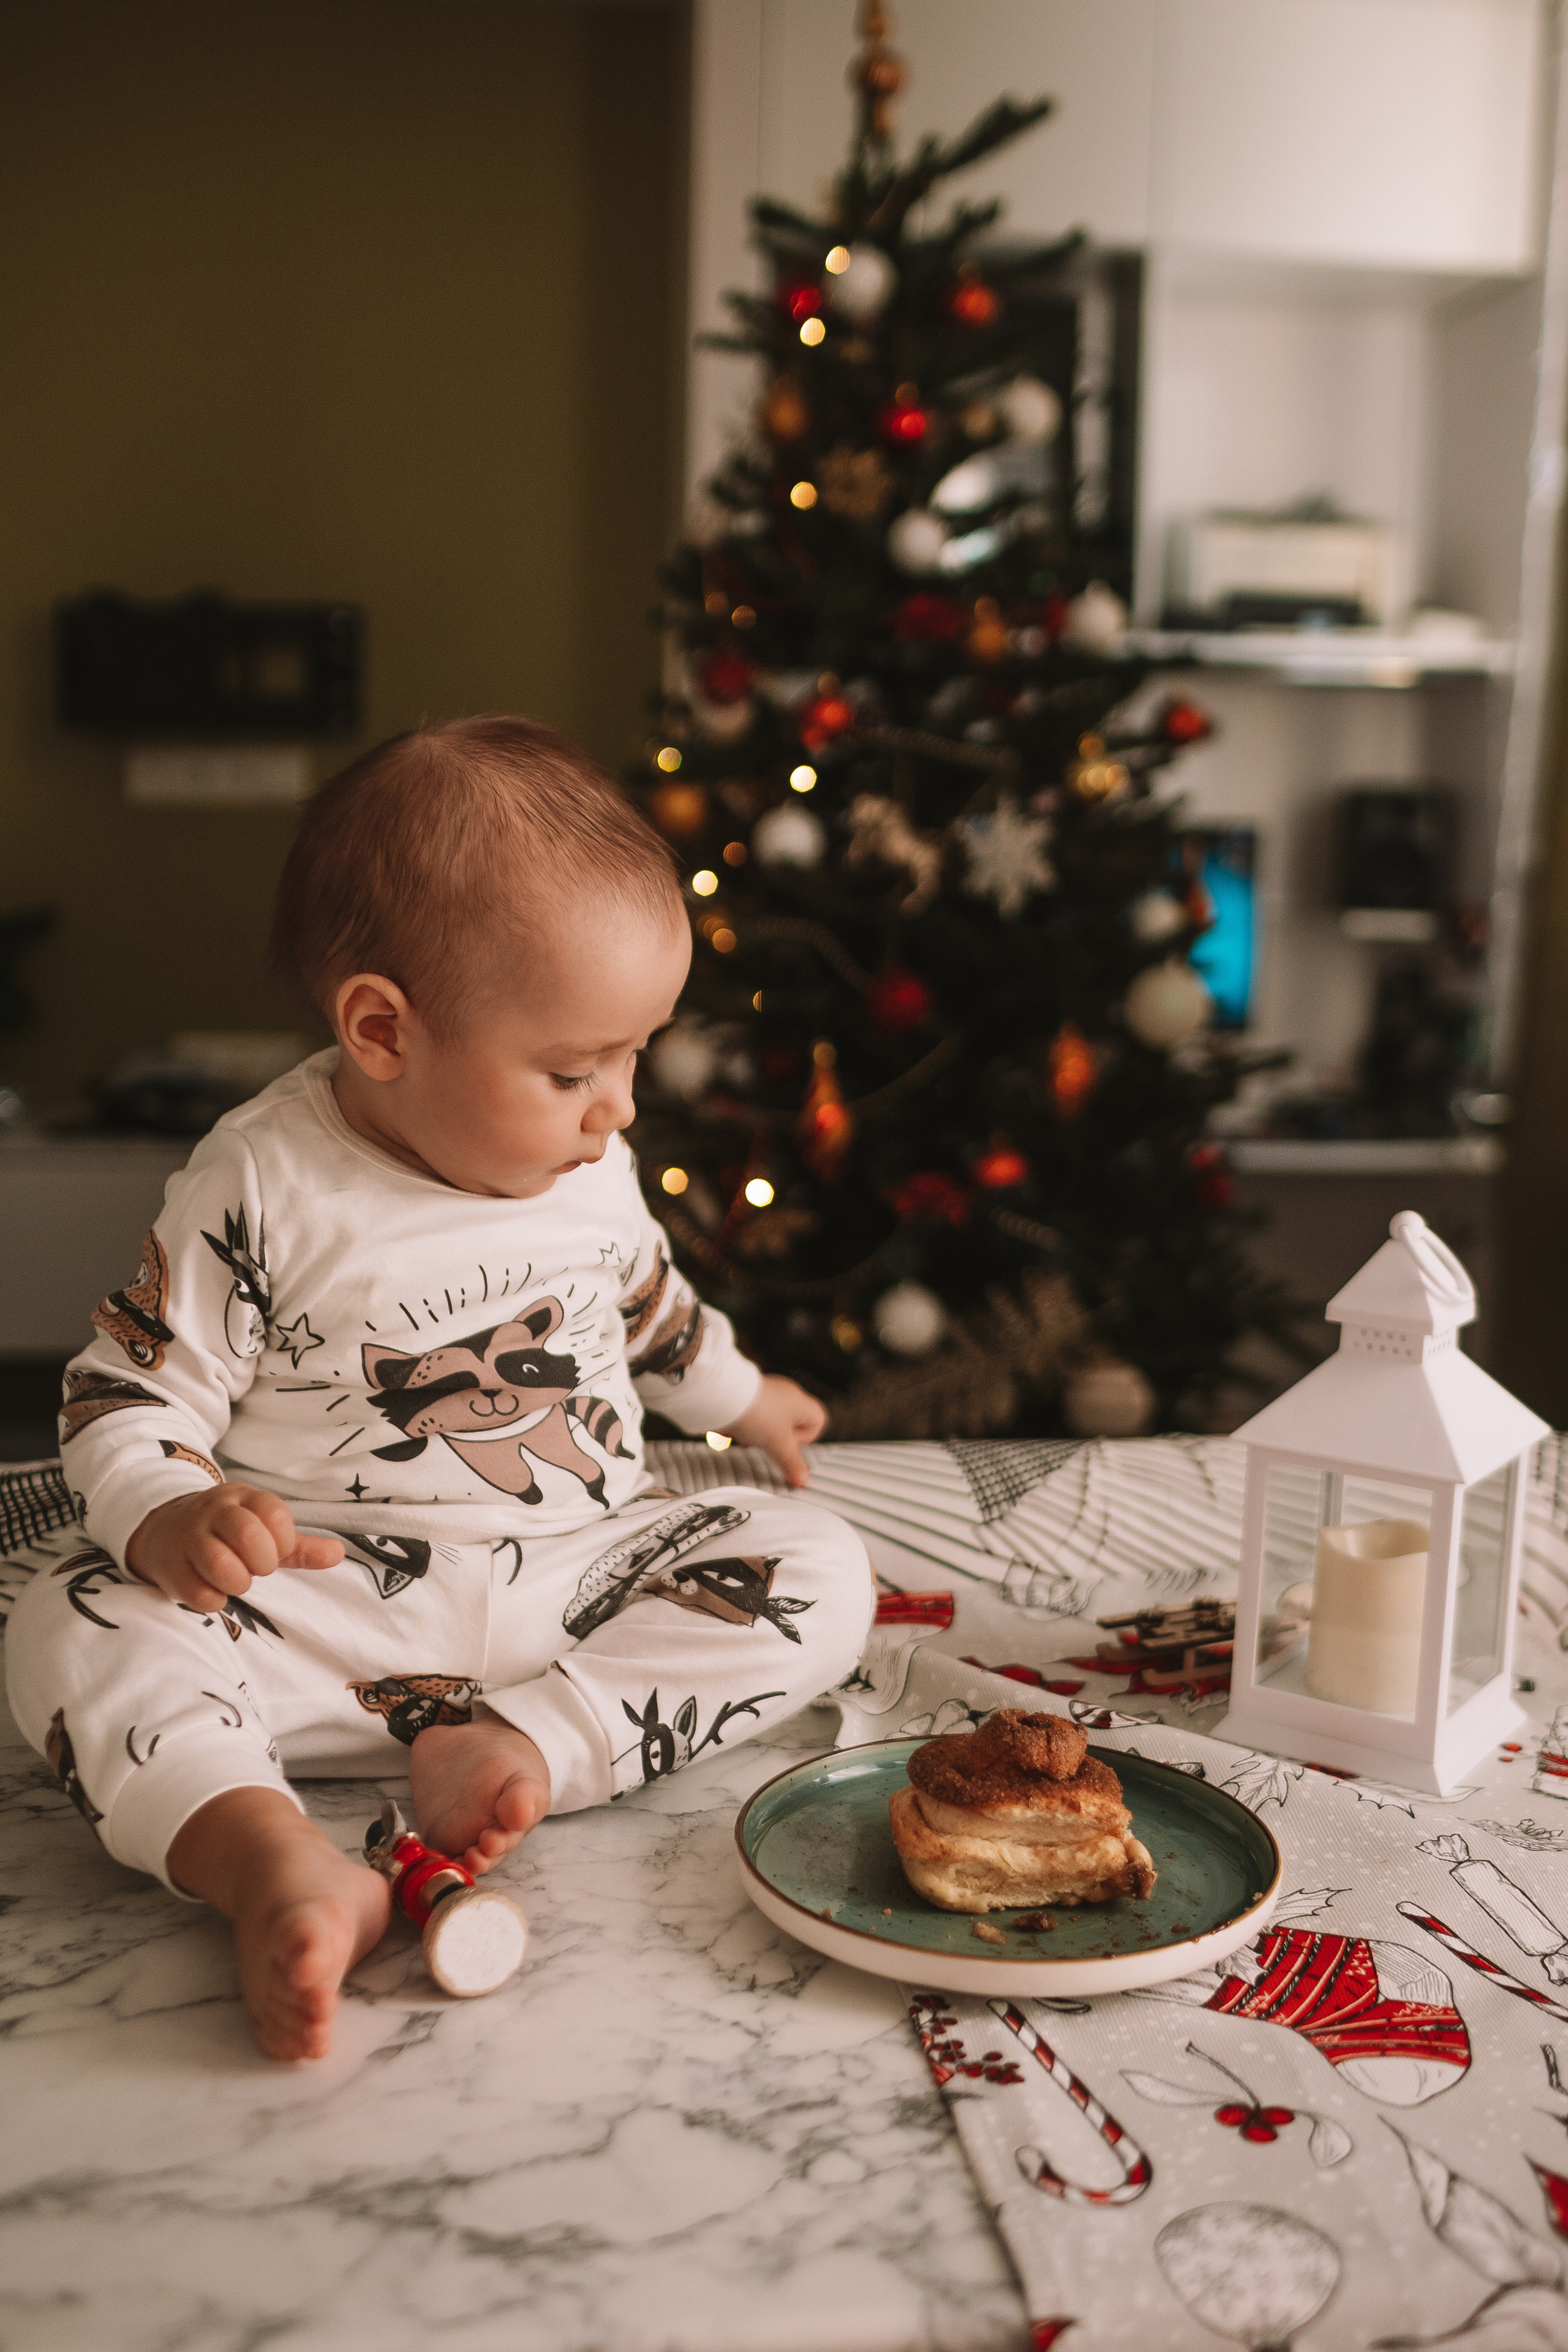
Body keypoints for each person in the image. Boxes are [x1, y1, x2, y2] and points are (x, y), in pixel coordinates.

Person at [6, 716, 873, 2062]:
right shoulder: (265, 1182)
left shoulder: (586, 1164)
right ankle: (268, 1860)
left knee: (819, 1563)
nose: (620, 1109)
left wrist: (742, 1398)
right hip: (320, 1618)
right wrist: (172, 1519)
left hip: (571, 1591)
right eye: (574, 1069)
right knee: (70, 1616)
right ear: (380, 1030)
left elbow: (645, 1302)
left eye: (635, 1055)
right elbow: (125, 1395)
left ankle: (528, 1745)